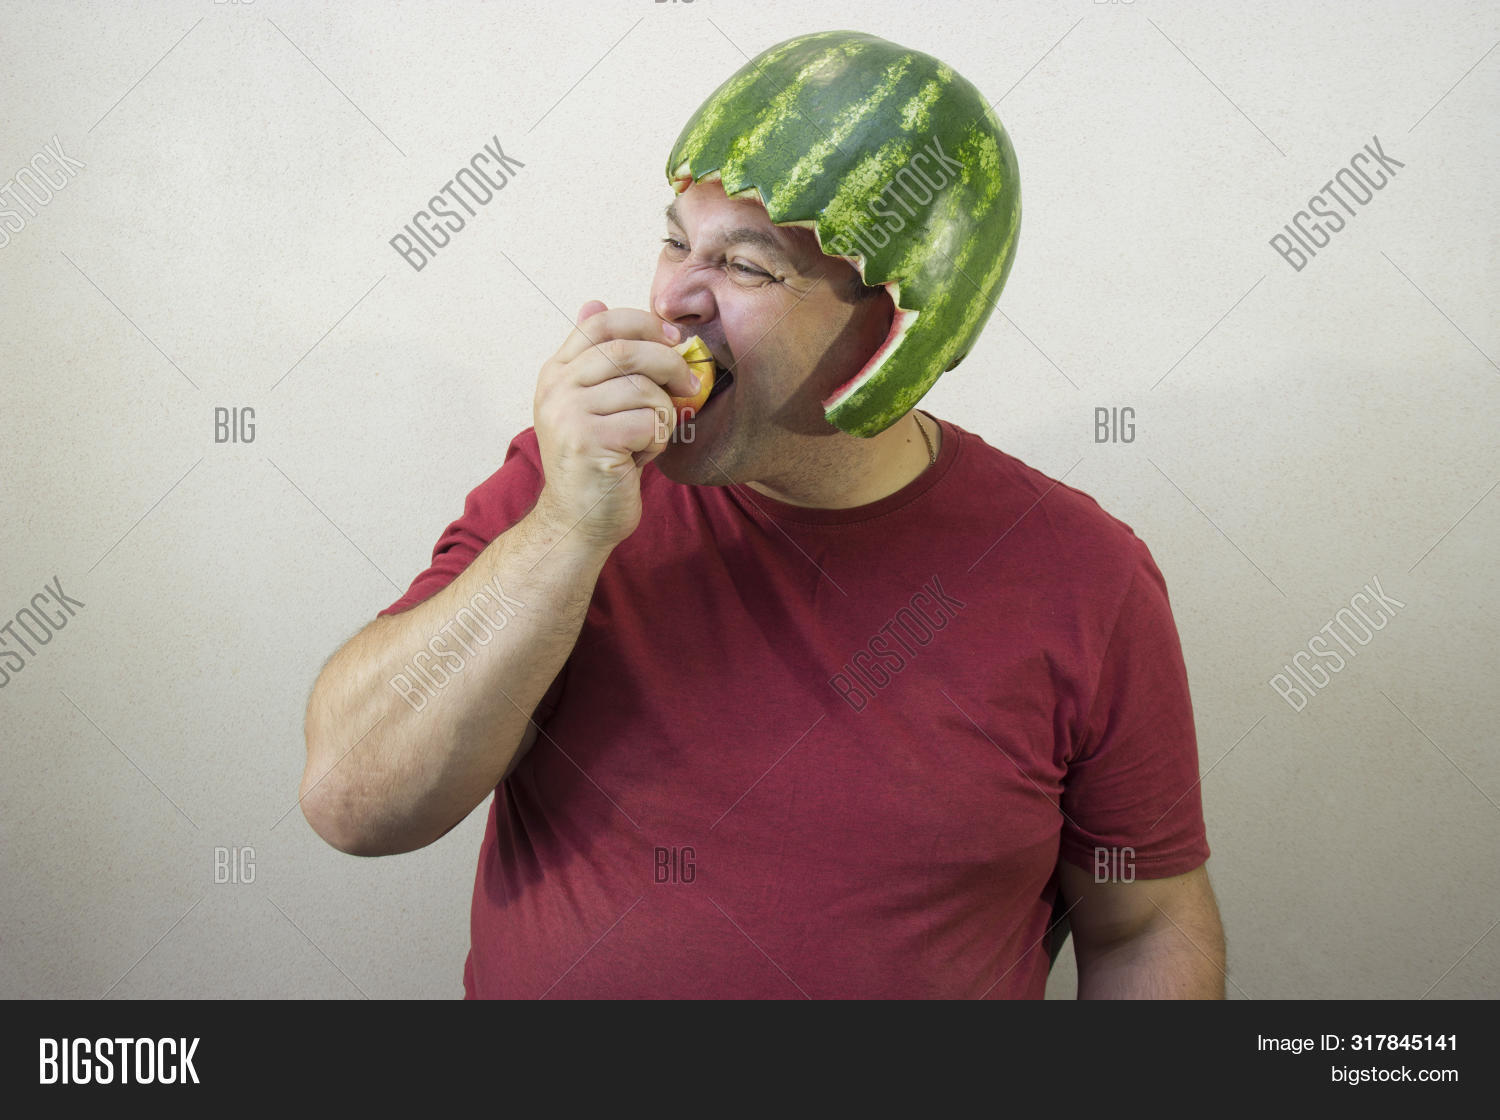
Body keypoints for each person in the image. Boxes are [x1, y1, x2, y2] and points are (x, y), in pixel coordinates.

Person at [300, 31, 1225, 998]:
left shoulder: (1084, 576)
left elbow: (1144, 926)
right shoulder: (569, 482)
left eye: (747, 266)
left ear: (898, 329)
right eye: (673, 241)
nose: (672, 300)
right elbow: (352, 803)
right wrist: (567, 535)